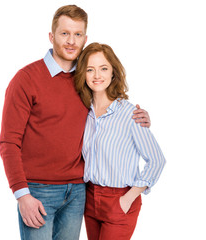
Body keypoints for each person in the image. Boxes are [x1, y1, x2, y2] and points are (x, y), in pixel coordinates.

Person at [0, 5, 151, 240]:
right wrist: (22, 195)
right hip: (38, 191)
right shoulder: (26, 79)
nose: (71, 41)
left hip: (79, 191)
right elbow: (9, 142)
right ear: (51, 36)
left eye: (78, 34)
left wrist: (137, 116)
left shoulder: (87, 80)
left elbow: (108, 108)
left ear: (85, 38)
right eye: (64, 33)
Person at [74, 42, 166, 240]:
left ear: (113, 72)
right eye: (90, 69)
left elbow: (157, 160)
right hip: (89, 198)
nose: (97, 75)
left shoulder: (130, 114)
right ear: (83, 74)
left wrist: (128, 198)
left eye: (103, 68)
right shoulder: (84, 112)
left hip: (120, 199)